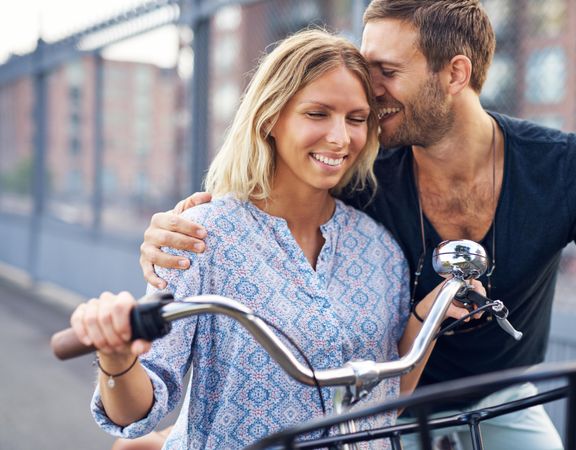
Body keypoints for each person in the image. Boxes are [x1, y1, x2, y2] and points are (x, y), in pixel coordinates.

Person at [140, 1, 576, 449]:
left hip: (503, 395)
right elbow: (260, 213)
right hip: (379, 405)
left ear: (455, 74)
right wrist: (176, 230)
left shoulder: (564, 167)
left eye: (386, 70)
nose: (371, 89)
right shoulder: (359, 173)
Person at [71, 29, 473, 450]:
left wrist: (430, 314)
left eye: (356, 119)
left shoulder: (380, 249)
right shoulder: (202, 236)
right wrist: (116, 357)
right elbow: (137, 411)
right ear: (270, 118)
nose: (340, 138)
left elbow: (388, 398)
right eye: (317, 114)